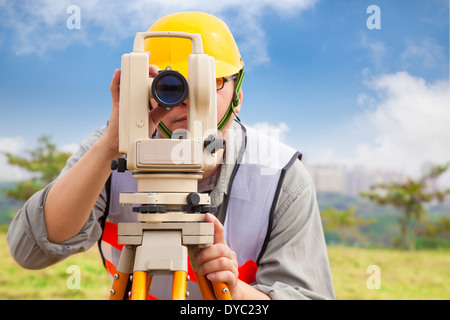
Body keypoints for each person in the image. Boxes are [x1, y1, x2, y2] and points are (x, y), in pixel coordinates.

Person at [7, 11, 335, 300]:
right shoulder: (111, 149)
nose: (185, 99)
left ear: (238, 94)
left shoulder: (278, 174)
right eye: (169, 83)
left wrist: (235, 292)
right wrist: (110, 147)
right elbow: (29, 252)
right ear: (143, 86)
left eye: (209, 81)